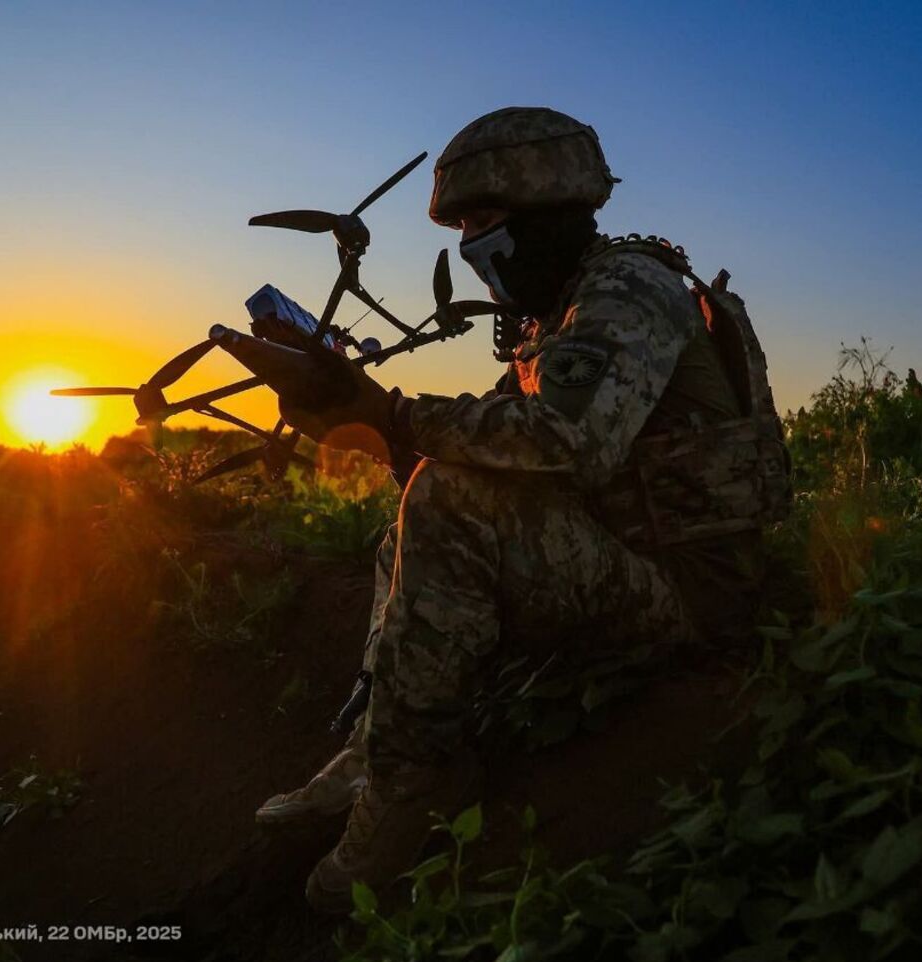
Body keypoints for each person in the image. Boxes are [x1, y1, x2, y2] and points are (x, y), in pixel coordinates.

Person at [254, 106, 791, 913]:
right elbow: (494, 442)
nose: (472, 246)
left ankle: (418, 776)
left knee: (443, 494)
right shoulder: (563, 310)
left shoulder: (631, 288)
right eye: (463, 225)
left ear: (548, 208)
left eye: (485, 220)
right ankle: (375, 748)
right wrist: (355, 419)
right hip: (630, 555)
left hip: (693, 589)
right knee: (411, 512)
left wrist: (396, 411)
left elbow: (567, 443)